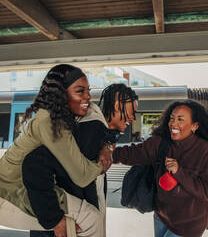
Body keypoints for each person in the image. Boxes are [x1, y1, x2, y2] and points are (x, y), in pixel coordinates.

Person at [0, 64, 111, 236]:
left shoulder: (55, 117)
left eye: (89, 90)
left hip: (17, 189)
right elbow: (82, 176)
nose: (88, 96)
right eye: (80, 91)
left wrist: (105, 145)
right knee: (91, 219)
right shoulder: (50, 123)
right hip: (5, 196)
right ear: (61, 94)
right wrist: (102, 163)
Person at [103, 99, 208, 237]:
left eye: (180, 119)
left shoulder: (206, 153)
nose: (174, 123)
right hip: (161, 217)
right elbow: (133, 153)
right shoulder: (160, 143)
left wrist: (179, 172)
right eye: (172, 118)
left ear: (194, 126)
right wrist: (108, 154)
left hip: (188, 226)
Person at [29, 83, 138, 237]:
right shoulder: (89, 130)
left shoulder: (98, 131)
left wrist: (107, 145)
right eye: (131, 110)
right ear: (116, 105)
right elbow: (36, 167)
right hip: (66, 223)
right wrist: (54, 219)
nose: (133, 117)